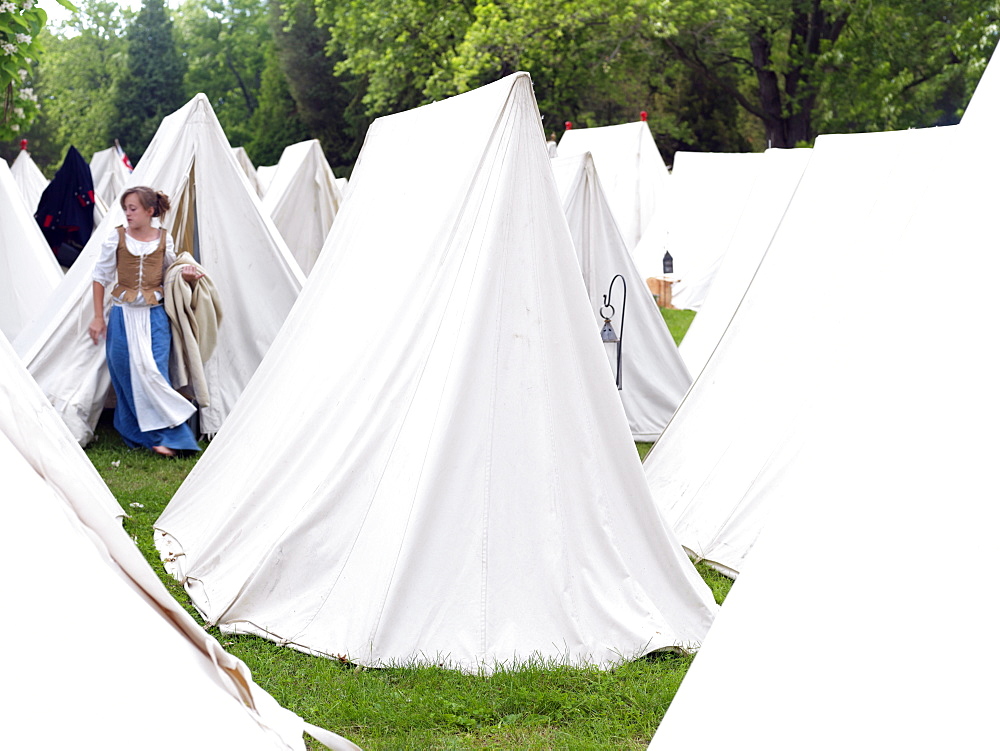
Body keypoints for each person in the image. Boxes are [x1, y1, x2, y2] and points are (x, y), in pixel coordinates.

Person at [89, 186, 204, 457]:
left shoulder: (165, 239)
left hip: (154, 316)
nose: (127, 214)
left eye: (133, 208)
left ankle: (176, 439)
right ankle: (141, 435)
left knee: (156, 376)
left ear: (150, 211)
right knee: (125, 374)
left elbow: (170, 276)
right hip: (122, 315)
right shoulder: (115, 238)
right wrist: (97, 317)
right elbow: (100, 277)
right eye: (125, 208)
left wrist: (187, 277)